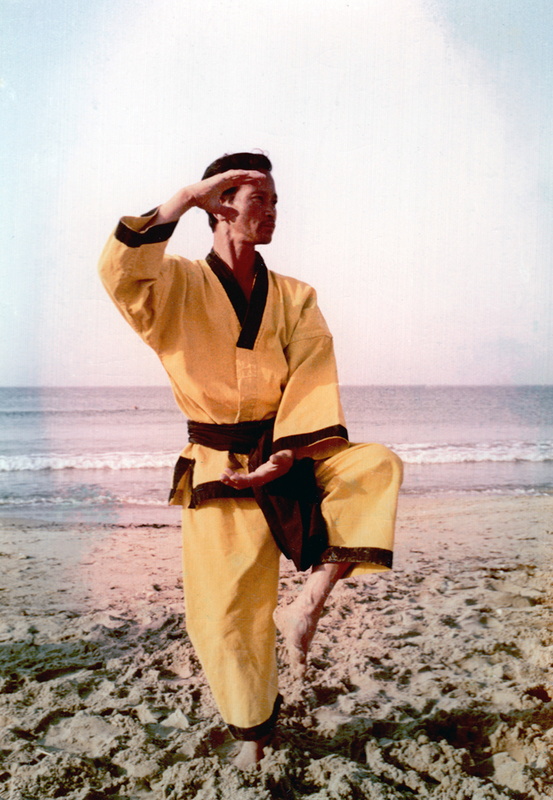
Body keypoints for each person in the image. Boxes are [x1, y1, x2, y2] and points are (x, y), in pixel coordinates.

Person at [98, 152, 403, 768]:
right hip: (220, 467)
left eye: (276, 202)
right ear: (221, 207)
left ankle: (306, 605)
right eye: (259, 199)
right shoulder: (174, 286)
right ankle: (255, 737)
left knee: (375, 466)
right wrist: (185, 197)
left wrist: (287, 454)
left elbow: (312, 375)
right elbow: (119, 273)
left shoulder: (295, 295)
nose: (272, 212)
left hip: (288, 448)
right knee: (226, 614)